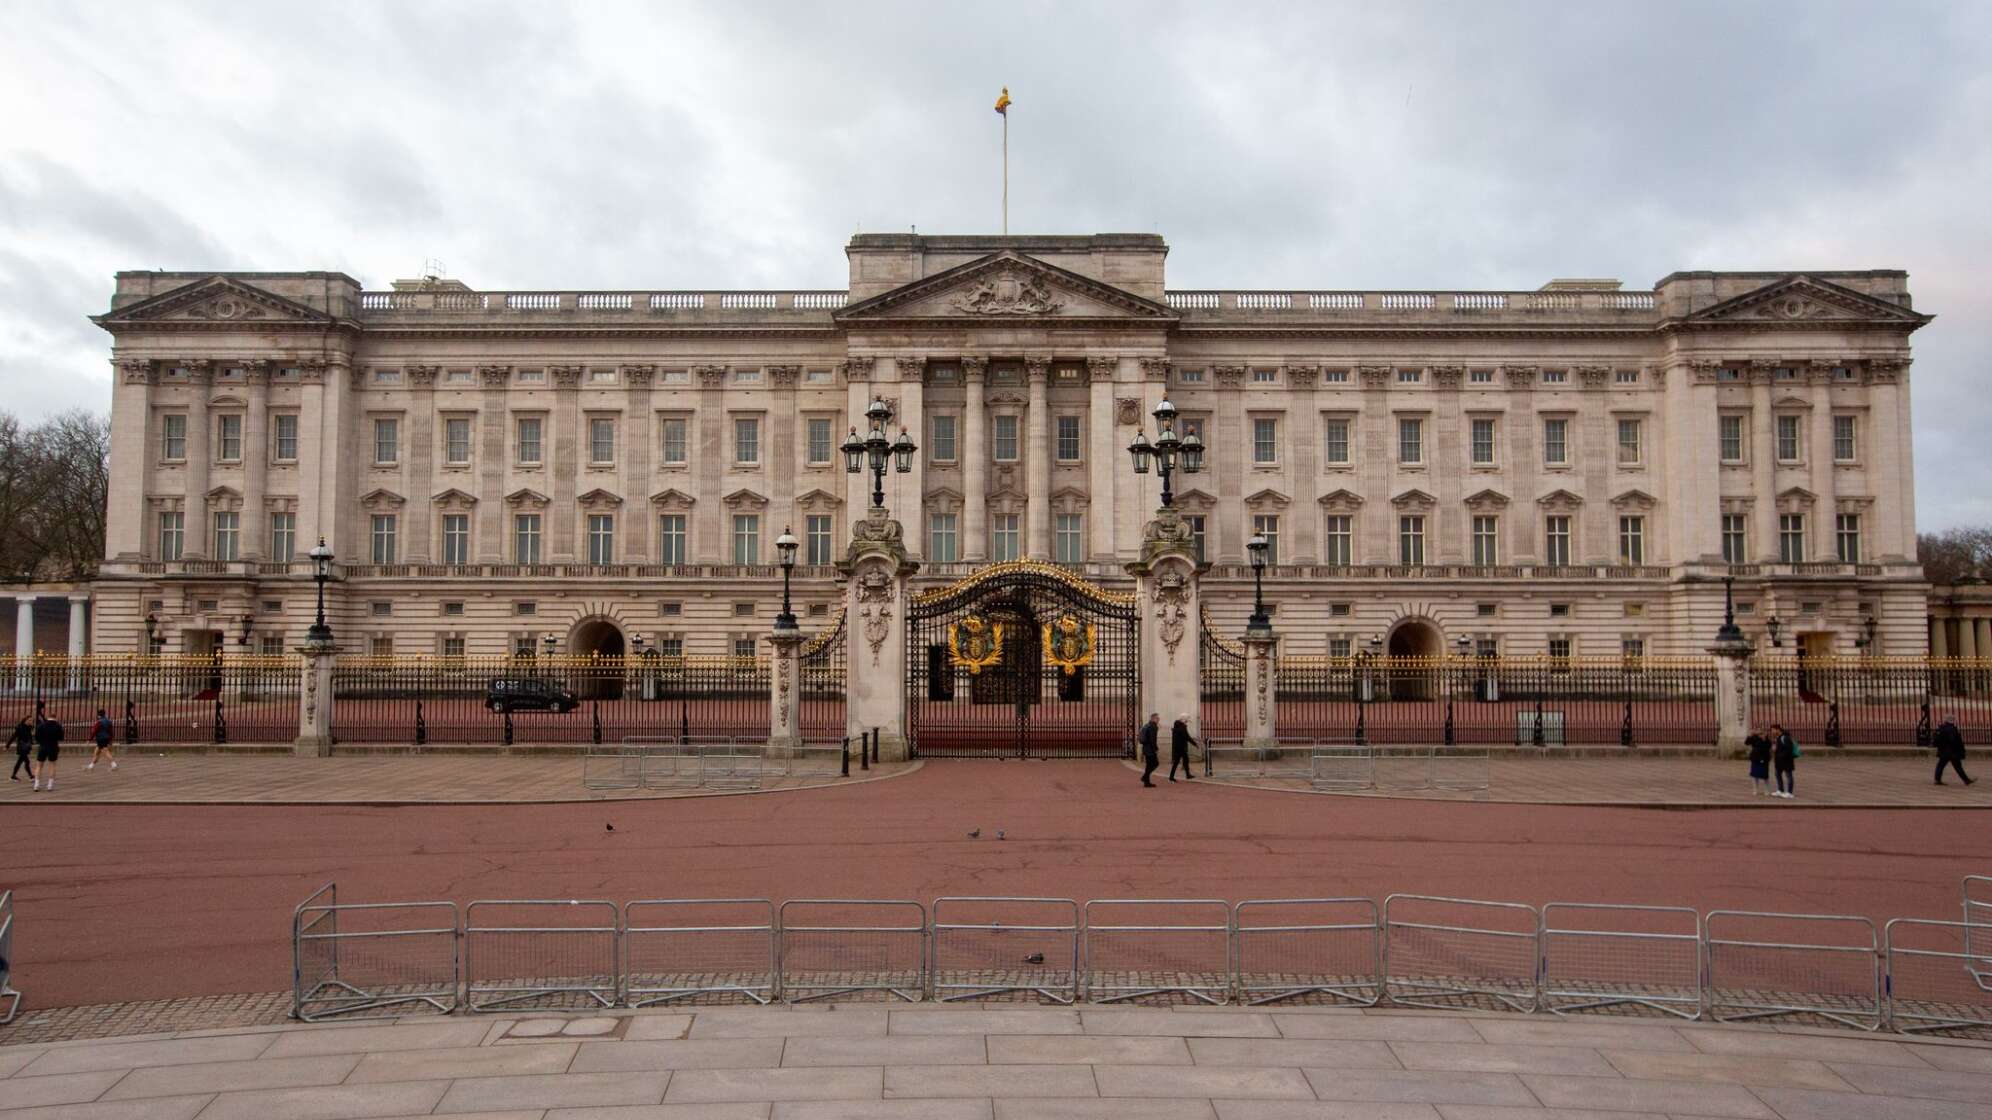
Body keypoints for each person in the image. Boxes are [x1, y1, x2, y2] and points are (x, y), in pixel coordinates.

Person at [1933, 714, 1974, 786]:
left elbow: (1937, 740)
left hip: (1943, 751)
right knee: (1958, 766)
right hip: (1952, 751)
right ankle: (1966, 780)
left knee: (1940, 765)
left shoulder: (1941, 728)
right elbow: (1955, 741)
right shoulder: (1952, 729)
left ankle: (1937, 779)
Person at [31, 712, 63, 792]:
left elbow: (37, 737)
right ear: (55, 717)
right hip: (53, 747)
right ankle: (50, 785)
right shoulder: (58, 726)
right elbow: (61, 738)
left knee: (39, 766)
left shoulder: (41, 725)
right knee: (52, 765)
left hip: (42, 747)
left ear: (48, 717)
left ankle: (36, 785)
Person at [1770, 722, 1798, 799]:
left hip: (1786, 761)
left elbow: (1788, 749)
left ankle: (1789, 793)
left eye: (1773, 730)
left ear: (1777, 729)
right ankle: (1780, 790)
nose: (1772, 732)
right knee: (1778, 775)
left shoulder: (1785, 737)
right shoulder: (1779, 737)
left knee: (1789, 776)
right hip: (1780, 761)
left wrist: (1780, 755)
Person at [1168, 713, 1197, 782]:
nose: (1187, 722)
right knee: (1178, 762)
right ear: (1183, 720)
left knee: (1184, 760)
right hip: (1180, 747)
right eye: (1186, 720)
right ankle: (1172, 777)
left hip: (1178, 747)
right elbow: (1187, 737)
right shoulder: (1182, 727)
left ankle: (1187, 774)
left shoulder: (1177, 726)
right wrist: (1195, 744)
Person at [1745, 729, 1772, 797]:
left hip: (1764, 759)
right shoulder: (1754, 737)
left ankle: (1767, 790)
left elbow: (1769, 746)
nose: (1760, 734)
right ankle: (1755, 790)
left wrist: (1764, 739)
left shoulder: (1766, 739)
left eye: (1761, 733)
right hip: (1755, 758)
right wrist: (1750, 735)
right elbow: (1747, 742)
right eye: (1758, 732)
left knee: (1765, 775)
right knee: (1754, 775)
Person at [1138, 712, 1161, 788]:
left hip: (1146, 748)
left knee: (1148, 765)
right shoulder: (1153, 726)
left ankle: (1146, 782)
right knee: (1155, 763)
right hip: (1150, 749)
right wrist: (1156, 749)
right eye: (1157, 718)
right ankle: (1145, 777)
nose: (1159, 720)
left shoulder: (1147, 725)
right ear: (1153, 718)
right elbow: (1152, 739)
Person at [8, 716, 31, 782]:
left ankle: (13, 776)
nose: (30, 722)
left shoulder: (28, 728)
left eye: (31, 720)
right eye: (29, 720)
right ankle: (31, 776)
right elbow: (13, 737)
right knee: (26, 761)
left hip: (26, 748)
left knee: (19, 762)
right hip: (21, 747)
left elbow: (28, 738)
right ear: (25, 720)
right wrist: (7, 746)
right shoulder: (20, 728)